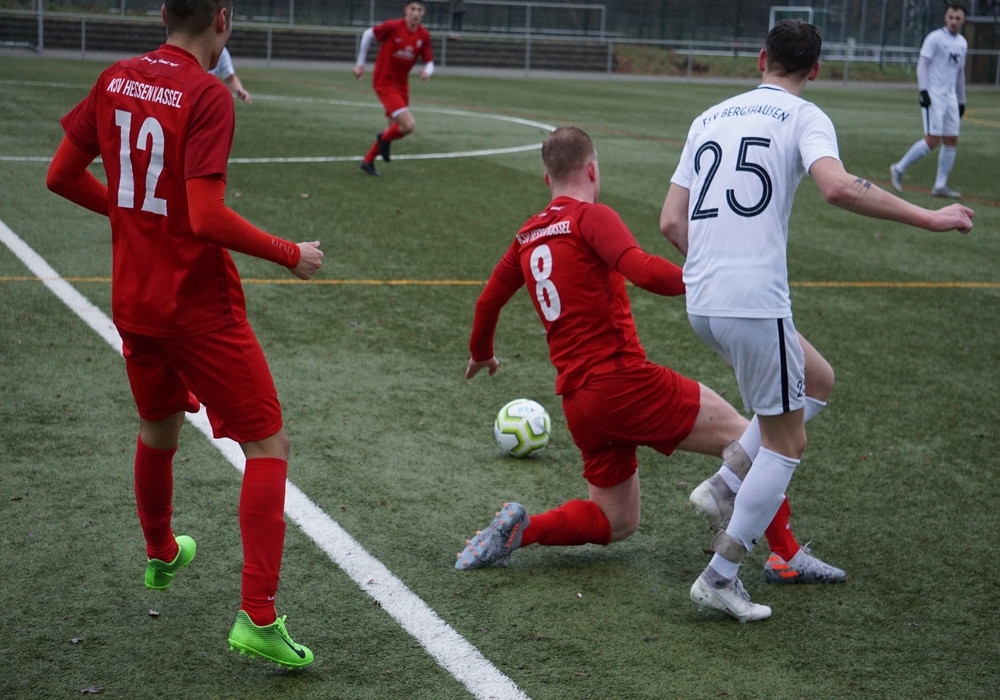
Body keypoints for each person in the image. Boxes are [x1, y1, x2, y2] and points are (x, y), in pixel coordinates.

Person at [660, 19, 973, 622]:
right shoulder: (804, 115)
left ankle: (727, 484)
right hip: (753, 301)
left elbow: (673, 222)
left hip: (702, 298)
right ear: (817, 70)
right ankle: (720, 575)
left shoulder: (709, 117)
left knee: (817, 379)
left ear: (760, 59)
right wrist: (930, 219)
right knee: (787, 441)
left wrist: (715, 266)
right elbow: (837, 187)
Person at [455, 127, 841, 607]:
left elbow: (488, 301)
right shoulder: (590, 217)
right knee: (753, 440)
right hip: (624, 383)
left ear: (545, 178)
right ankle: (783, 555)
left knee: (617, 520)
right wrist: (708, 281)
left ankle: (526, 530)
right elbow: (640, 268)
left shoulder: (527, 236)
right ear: (593, 170)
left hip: (580, 402)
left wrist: (482, 352)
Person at [46, 0, 324, 668]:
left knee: (159, 428)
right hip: (197, 306)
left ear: (163, 14)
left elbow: (59, 175)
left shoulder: (115, 77)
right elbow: (205, 217)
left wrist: (128, 210)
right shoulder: (206, 94)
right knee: (268, 443)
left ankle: (161, 552)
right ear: (222, 20)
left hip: (134, 299)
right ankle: (258, 615)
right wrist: (291, 252)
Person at [890, 4, 968, 198]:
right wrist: (923, 91)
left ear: (963, 21)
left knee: (951, 140)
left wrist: (961, 99)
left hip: (950, 98)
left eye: (958, 18)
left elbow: (960, 74)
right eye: (951, 17)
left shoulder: (962, 43)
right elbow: (922, 65)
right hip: (934, 96)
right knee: (932, 140)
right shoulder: (934, 38)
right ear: (945, 18)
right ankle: (899, 168)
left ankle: (940, 186)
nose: (954, 21)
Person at [353, 0, 434, 176]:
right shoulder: (393, 26)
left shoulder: (423, 35)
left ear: (423, 13)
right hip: (385, 81)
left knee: (393, 128)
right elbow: (368, 34)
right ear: (405, 10)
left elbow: (430, 62)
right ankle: (383, 140)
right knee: (409, 125)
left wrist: (427, 72)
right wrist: (360, 65)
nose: (415, 13)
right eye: (412, 9)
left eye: (419, 10)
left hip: (402, 84)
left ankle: (368, 161)